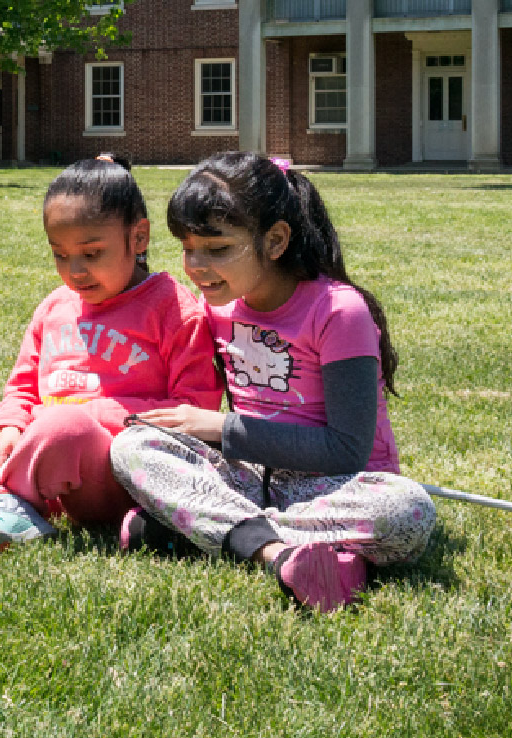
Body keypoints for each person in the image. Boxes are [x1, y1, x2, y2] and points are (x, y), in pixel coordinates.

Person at [110, 151, 439, 615]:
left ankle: (207, 529)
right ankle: (279, 552)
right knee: (132, 447)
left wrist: (219, 428)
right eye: (187, 247)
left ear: (276, 240)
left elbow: (347, 448)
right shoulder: (216, 307)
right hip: (250, 479)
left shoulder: (338, 312)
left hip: (337, 486)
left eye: (218, 248)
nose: (196, 265)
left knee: (408, 511)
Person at [0, 153, 221, 547]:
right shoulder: (54, 307)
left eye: (92, 254)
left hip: (108, 472)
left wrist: (88, 415)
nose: (75, 271)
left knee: (65, 427)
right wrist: (11, 428)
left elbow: (192, 415)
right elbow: (22, 387)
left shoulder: (175, 310)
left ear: (139, 238)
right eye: (60, 255)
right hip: (35, 445)